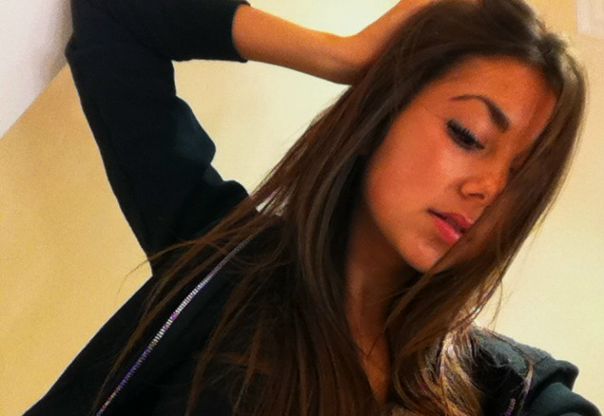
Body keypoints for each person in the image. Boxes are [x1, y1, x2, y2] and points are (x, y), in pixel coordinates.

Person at [25, 0, 600, 415]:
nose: (490, 189)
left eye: (522, 180)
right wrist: (340, 56)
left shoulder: (508, 391)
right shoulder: (222, 264)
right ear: (383, 111)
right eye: (468, 135)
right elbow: (115, 16)